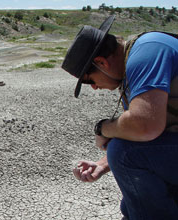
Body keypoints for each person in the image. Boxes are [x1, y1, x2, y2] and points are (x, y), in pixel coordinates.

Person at [61, 15, 178, 220]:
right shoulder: (134, 60)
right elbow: (138, 132)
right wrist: (102, 164)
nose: (95, 88)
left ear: (101, 62)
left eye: (90, 81)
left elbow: (144, 126)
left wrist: (102, 128)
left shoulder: (147, 53)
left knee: (124, 152)